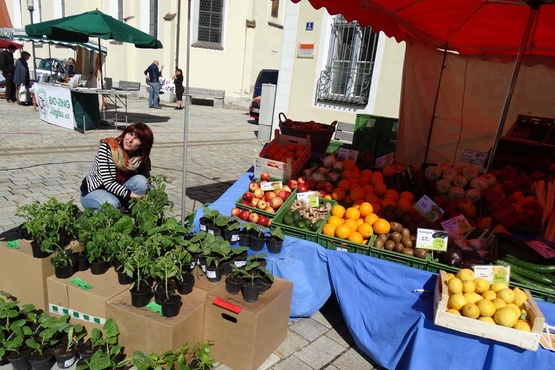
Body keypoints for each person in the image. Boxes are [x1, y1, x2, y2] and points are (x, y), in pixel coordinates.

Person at [80, 122, 154, 211]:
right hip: (93, 191)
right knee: (112, 204)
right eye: (130, 134)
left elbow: (148, 182)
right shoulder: (109, 148)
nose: (130, 140)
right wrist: (137, 197)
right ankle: (92, 219)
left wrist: (154, 196)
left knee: (142, 182)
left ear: (143, 145)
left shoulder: (141, 159)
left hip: (119, 193)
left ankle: (130, 212)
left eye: (136, 138)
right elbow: (109, 183)